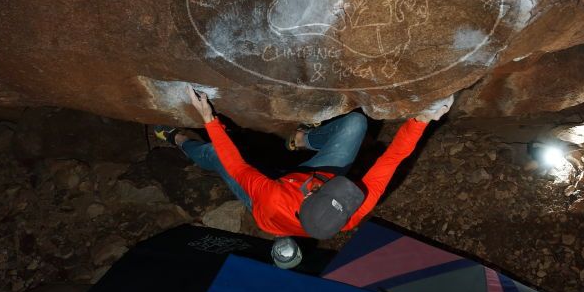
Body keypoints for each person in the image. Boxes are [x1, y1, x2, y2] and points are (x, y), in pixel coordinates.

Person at [155, 85, 451, 244]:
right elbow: (392, 159)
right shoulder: (350, 207)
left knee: (216, 155)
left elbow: (237, 167)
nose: (349, 183)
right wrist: (422, 119)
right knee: (355, 125)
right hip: (310, 176)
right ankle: (303, 140)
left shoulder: (271, 198)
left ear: (311, 194)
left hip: (266, 197)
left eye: (332, 187)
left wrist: (208, 118)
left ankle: (178, 140)